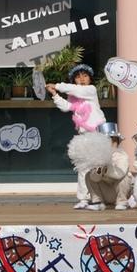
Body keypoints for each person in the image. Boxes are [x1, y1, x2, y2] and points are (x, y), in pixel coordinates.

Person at [46, 63, 106, 209]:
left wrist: (57, 85)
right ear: (74, 80)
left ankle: (100, 199)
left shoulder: (90, 90)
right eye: (78, 77)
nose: (82, 79)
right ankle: (84, 199)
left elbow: (76, 89)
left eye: (85, 76)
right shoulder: (74, 97)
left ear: (90, 79)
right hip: (83, 135)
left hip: (97, 134)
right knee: (83, 167)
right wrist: (55, 94)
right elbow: (66, 107)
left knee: (99, 167)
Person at [84, 122, 133, 211]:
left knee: (126, 177)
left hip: (119, 191)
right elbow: (95, 179)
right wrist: (99, 170)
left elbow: (119, 174)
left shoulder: (121, 155)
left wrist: (106, 169)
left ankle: (122, 202)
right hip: (105, 192)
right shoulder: (97, 157)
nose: (114, 143)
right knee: (88, 175)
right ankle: (98, 202)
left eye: (115, 140)